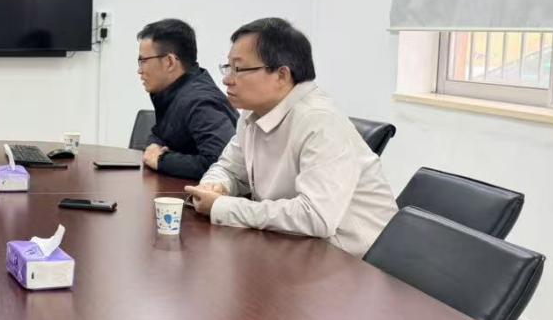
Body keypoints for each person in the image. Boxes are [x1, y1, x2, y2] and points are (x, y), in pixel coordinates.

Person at [185, 17, 398, 257]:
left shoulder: (320, 121)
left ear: (282, 75)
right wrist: (216, 185)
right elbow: (229, 169)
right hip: (295, 246)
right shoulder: (252, 114)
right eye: (228, 67)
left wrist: (223, 207)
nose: (227, 79)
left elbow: (315, 216)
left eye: (239, 69)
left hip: (354, 261)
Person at [136, 18, 237, 177]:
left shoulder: (200, 101)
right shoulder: (172, 93)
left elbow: (220, 164)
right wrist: (154, 146)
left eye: (143, 61)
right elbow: (160, 134)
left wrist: (162, 160)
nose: (139, 70)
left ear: (169, 62)